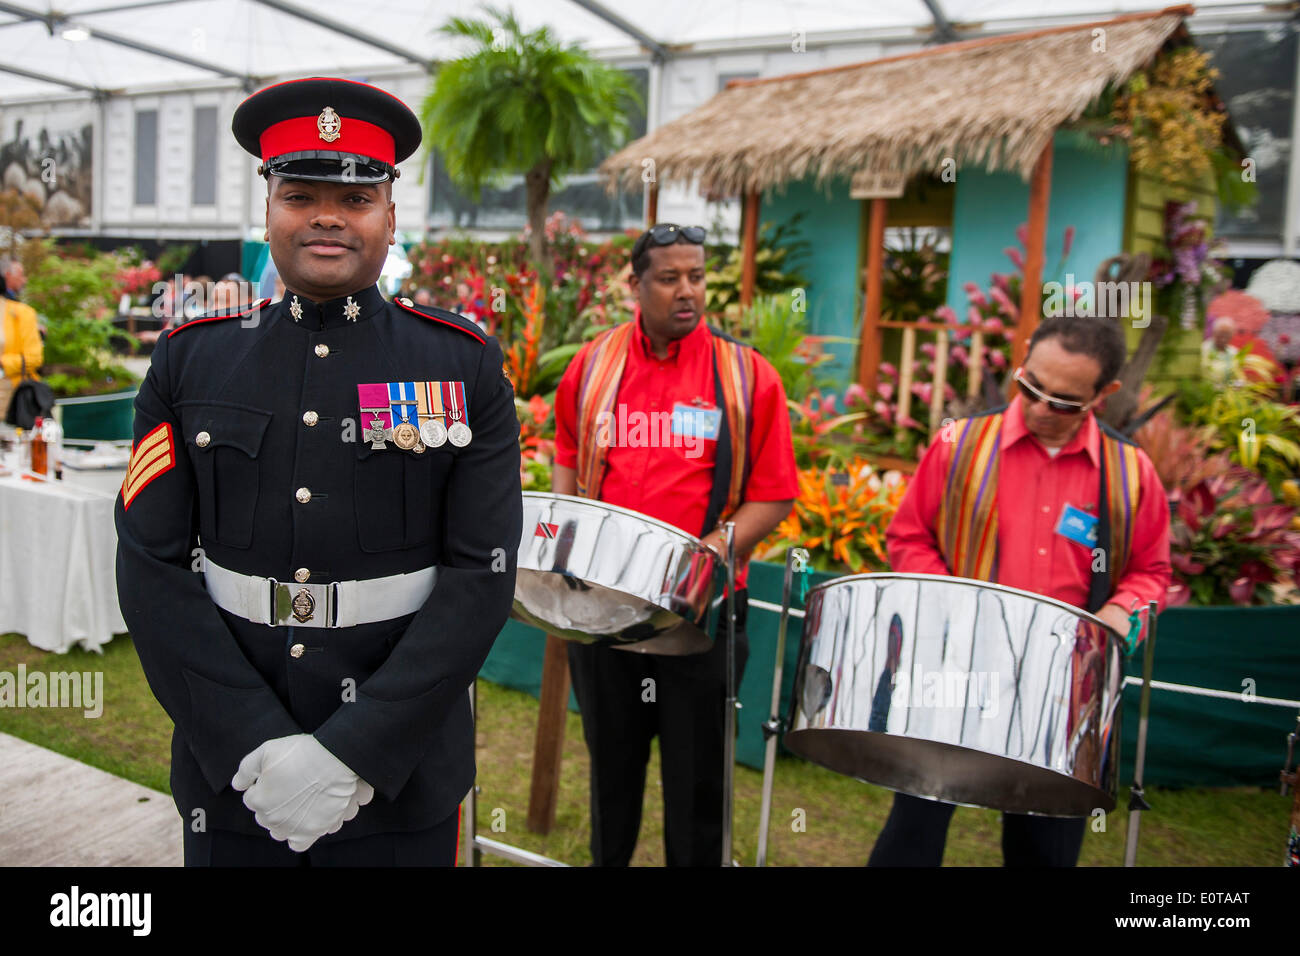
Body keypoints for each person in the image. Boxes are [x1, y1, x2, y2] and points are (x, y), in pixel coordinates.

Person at [115, 76, 522, 866]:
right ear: (267, 209)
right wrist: (253, 742)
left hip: (400, 786)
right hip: (234, 783)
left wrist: (352, 755)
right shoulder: (190, 359)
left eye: (357, 198)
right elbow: (151, 568)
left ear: (391, 216)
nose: (328, 216)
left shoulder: (462, 364)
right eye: (300, 195)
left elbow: (481, 577)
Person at [867, 315, 1171, 867]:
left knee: (1045, 851)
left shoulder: (1133, 473)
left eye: (1064, 402)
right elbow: (909, 535)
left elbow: (1151, 573)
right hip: (954, 669)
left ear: (1105, 394)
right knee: (912, 833)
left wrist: (1117, 616)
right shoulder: (960, 445)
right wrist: (956, 607)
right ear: (1024, 358)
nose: (1039, 408)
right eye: (1030, 386)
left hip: (1059, 690)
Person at [552, 223, 797, 866]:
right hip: (605, 612)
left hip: (703, 615)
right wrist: (568, 544)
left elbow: (773, 493)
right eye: (669, 278)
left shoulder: (749, 377)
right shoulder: (594, 364)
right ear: (635, 284)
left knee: (697, 783)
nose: (686, 292)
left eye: (696, 277)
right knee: (612, 770)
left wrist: (708, 556)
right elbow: (568, 453)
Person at [0, 257, 43, 417]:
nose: (24, 279)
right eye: (21, 274)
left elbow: (34, 358)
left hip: (13, 403)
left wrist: (3, 363)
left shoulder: (21, 312)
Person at [1201, 316, 1238, 384]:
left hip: (1227, 393)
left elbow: (1237, 375)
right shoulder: (1204, 349)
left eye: (1227, 335)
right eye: (1221, 334)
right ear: (1214, 332)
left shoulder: (1234, 352)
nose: (1223, 338)